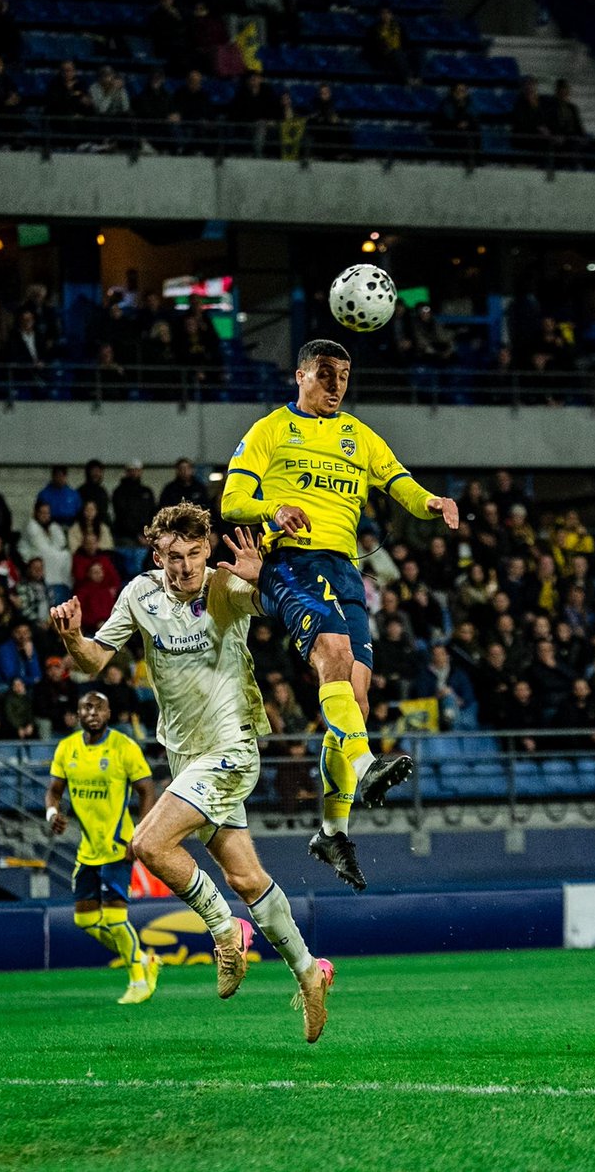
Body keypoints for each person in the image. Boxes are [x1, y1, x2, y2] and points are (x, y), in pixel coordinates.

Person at [50, 504, 335, 1042]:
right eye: (173, 557)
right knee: (246, 878)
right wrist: (71, 637)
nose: (184, 568)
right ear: (157, 555)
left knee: (149, 845)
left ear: (208, 551)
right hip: (185, 758)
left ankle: (226, 933)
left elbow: (269, 604)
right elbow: (92, 662)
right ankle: (309, 970)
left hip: (231, 749)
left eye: (194, 555)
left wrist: (263, 575)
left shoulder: (223, 588)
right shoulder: (139, 594)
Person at [221, 338, 459, 889]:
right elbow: (233, 500)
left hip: (346, 570)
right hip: (292, 563)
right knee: (333, 653)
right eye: (325, 373)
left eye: (344, 375)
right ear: (299, 375)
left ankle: (331, 832)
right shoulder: (270, 431)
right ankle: (364, 763)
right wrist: (272, 510)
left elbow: (395, 479)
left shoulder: (359, 435)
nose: (336, 385)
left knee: (357, 693)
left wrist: (430, 502)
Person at [45, 691, 158, 1003]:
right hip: (88, 849)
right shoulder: (67, 748)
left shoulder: (123, 747)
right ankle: (142, 959)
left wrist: (140, 835)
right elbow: (54, 791)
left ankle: (138, 979)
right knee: (84, 920)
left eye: (98, 707)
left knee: (114, 920)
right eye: (86, 707)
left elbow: (147, 789)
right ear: (78, 714)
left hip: (118, 845)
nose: (92, 712)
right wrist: (52, 813)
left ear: (109, 714)